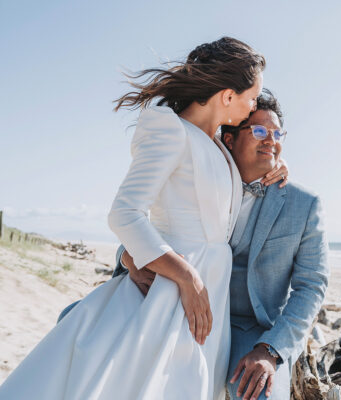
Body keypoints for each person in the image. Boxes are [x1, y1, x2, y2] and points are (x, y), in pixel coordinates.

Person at [0, 37, 288, 400]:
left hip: (210, 291)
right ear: (227, 96)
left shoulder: (217, 143)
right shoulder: (170, 130)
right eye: (250, 98)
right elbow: (124, 212)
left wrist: (279, 165)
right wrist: (186, 278)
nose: (252, 107)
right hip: (171, 290)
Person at [114, 89, 329, 400]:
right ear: (229, 140)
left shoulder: (304, 204)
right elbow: (147, 224)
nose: (271, 140)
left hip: (249, 327)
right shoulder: (200, 175)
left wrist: (271, 350)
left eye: (277, 133)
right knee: (82, 331)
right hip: (177, 303)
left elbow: (312, 286)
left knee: (258, 393)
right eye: (258, 131)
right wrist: (128, 258)